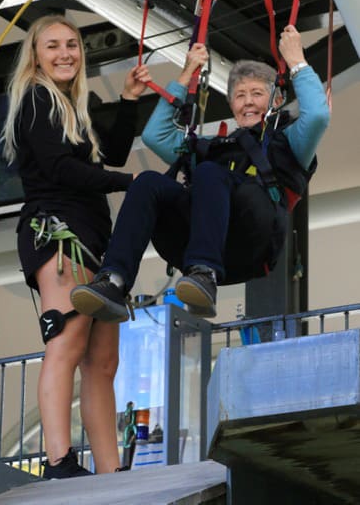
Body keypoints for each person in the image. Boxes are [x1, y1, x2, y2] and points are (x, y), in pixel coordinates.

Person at [69, 24, 330, 321]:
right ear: (231, 104)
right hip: (193, 244)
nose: (247, 101)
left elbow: (319, 115)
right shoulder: (212, 148)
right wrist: (186, 73)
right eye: (240, 95)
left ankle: (205, 274)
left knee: (208, 172)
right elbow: (157, 137)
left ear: (277, 100)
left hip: (253, 235)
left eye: (257, 93)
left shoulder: (289, 142)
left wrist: (296, 59)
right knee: (150, 182)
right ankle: (114, 281)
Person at [1, 14, 148, 479]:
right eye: (53, 46)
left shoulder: (73, 107)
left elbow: (114, 152)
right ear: (36, 56)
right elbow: (64, 170)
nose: (65, 53)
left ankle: (107, 471)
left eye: (72, 45)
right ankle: (59, 460)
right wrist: (131, 183)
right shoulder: (36, 98)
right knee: (67, 341)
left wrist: (127, 101)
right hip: (59, 230)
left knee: (103, 361)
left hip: (91, 235)